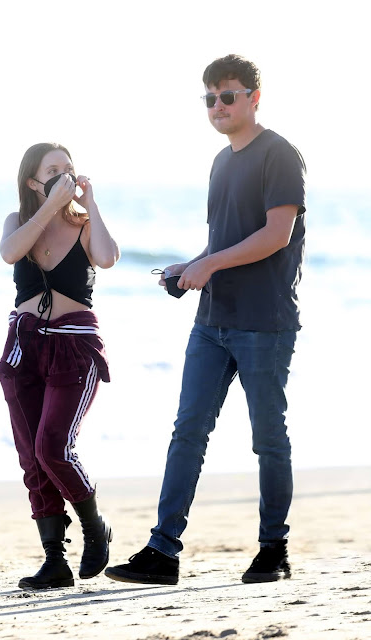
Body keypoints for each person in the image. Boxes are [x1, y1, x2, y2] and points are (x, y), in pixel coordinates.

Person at [105, 54, 306, 585]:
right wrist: (192, 265)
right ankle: (163, 552)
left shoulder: (280, 154)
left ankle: (273, 551)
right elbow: (225, 241)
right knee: (188, 432)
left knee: (268, 439)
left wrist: (210, 263)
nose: (218, 106)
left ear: (254, 98)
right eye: (210, 99)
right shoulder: (221, 161)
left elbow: (275, 235)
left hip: (265, 322)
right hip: (212, 320)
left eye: (229, 96)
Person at [0, 142, 120, 589]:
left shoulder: (84, 225)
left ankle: (94, 524)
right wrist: (48, 208)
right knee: (32, 457)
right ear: (34, 181)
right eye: (54, 169)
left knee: (53, 446)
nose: (66, 174)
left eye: (69, 167)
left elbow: (107, 258)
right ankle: (55, 560)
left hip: (74, 346)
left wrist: (91, 205)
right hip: (24, 347)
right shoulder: (19, 222)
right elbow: (11, 252)